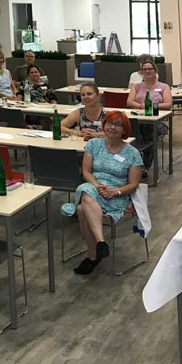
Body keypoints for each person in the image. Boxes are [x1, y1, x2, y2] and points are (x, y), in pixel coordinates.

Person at [66, 111, 143, 275]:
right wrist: (96, 185)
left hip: (116, 194)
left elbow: (134, 184)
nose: (112, 127)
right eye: (109, 123)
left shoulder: (132, 153)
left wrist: (116, 191)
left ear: (124, 130)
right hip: (94, 186)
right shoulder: (94, 144)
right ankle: (100, 243)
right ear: (104, 125)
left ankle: (92, 255)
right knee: (86, 190)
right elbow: (86, 172)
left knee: (81, 209)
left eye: (118, 124)